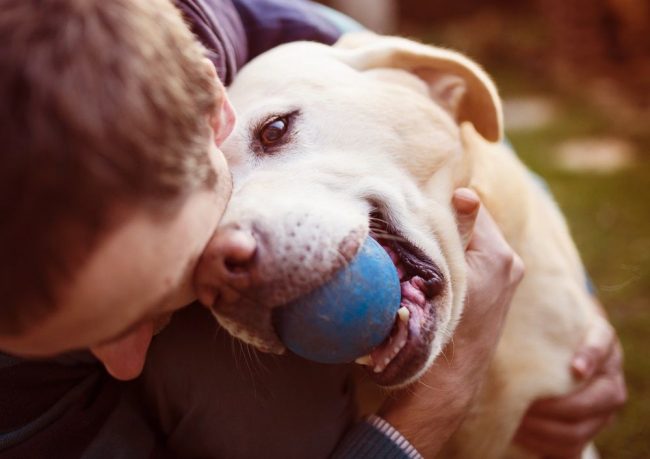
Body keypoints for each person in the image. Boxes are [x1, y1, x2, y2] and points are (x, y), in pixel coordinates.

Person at [0, 0, 625, 457]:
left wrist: (575, 319)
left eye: (273, 134)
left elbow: (455, 131)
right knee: (235, 394)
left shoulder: (300, 43)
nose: (239, 243)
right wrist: (424, 417)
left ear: (211, 110)